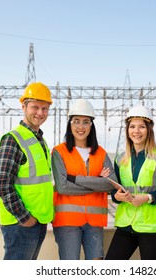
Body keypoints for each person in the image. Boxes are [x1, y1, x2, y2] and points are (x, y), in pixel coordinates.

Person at [104, 105, 156, 260]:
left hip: (152, 228)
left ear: (149, 129)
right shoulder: (120, 159)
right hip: (126, 225)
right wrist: (117, 196)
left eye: (141, 126)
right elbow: (114, 193)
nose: (136, 131)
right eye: (132, 126)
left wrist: (148, 198)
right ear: (127, 130)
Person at [0, 82, 54, 260]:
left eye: (45, 108)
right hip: (20, 223)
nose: (40, 113)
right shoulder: (13, 139)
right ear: (23, 106)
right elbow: (3, 185)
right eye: (35, 107)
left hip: (37, 221)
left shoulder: (40, 141)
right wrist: (25, 218)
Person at [51, 99, 116, 260]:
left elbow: (111, 184)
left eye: (86, 122)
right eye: (76, 121)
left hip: (94, 222)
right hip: (67, 222)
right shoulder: (59, 152)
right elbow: (63, 187)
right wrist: (97, 183)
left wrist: (74, 179)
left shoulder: (100, 153)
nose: (81, 127)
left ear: (91, 126)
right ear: (70, 124)